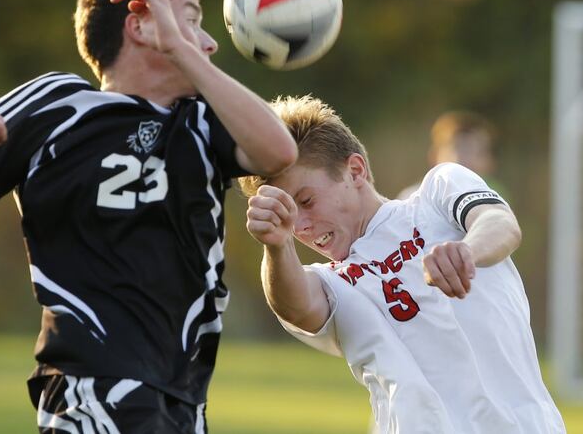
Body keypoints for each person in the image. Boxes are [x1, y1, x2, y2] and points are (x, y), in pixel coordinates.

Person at [0, 0, 297, 433]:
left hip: (183, 400)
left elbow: (279, 152)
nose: (209, 42)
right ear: (141, 24)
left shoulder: (203, 120)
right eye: (190, 19)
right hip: (91, 388)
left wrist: (184, 50)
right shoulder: (58, 104)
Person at [240, 96, 565, 433]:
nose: (302, 226)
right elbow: (295, 306)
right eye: (290, 216)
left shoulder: (438, 193)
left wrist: (467, 252)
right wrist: (276, 246)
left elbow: (499, 222)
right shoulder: (333, 284)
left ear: (355, 170)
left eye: (306, 201)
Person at [397, 110, 505, 199]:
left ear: (491, 162)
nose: (468, 160)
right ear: (435, 156)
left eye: (478, 152)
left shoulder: (496, 197)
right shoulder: (412, 200)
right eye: (459, 150)